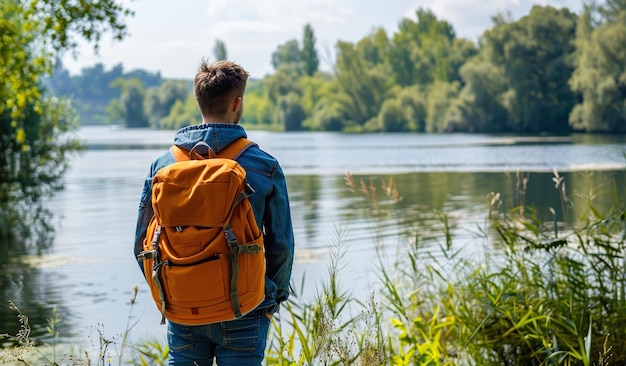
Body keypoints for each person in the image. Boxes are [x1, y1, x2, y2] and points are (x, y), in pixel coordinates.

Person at [133, 59, 295, 366]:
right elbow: (282, 247)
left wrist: (169, 296)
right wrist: (269, 300)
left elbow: (141, 243)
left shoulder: (164, 166)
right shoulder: (264, 165)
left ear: (199, 101)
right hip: (244, 305)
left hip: (183, 310)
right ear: (237, 103)